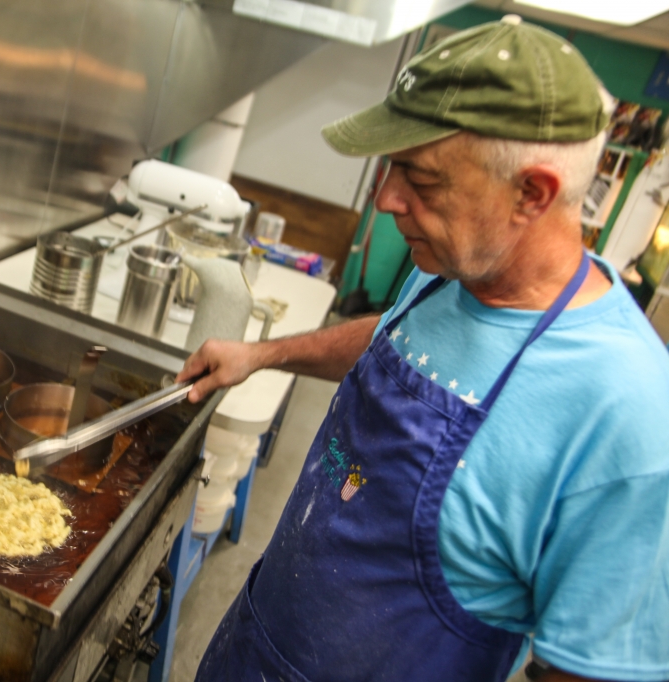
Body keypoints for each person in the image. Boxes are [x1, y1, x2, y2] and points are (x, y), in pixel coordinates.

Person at [179, 15, 669, 682]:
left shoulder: (628, 411)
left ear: (533, 193)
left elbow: (582, 671)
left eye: (422, 180)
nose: (385, 199)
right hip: (254, 650)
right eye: (388, 170)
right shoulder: (446, 271)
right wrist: (263, 355)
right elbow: (393, 341)